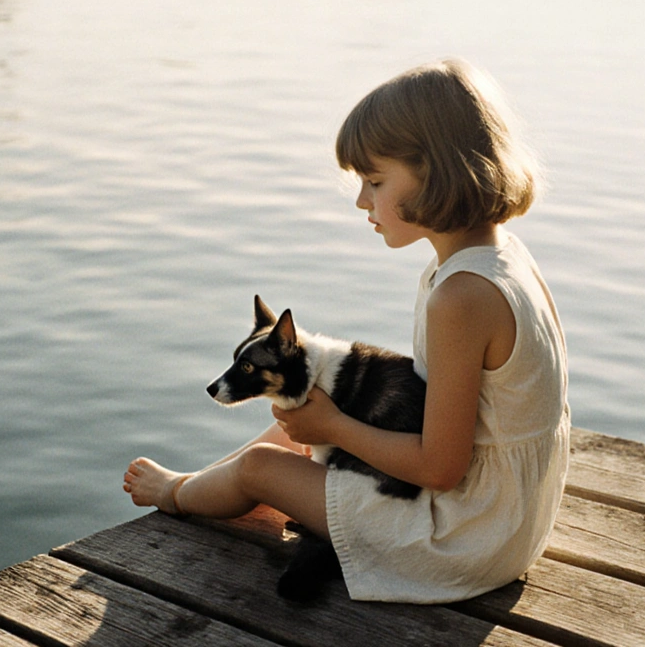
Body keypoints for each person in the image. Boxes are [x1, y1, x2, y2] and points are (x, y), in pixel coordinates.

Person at [124, 59, 569, 603]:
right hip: (508, 518)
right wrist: (328, 421)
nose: (362, 200)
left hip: (460, 535)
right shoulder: (499, 260)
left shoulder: (461, 296)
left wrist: (334, 424)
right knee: (299, 417)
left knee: (266, 465)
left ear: (437, 172)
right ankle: (200, 480)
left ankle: (177, 494)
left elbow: (441, 467)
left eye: (375, 181)